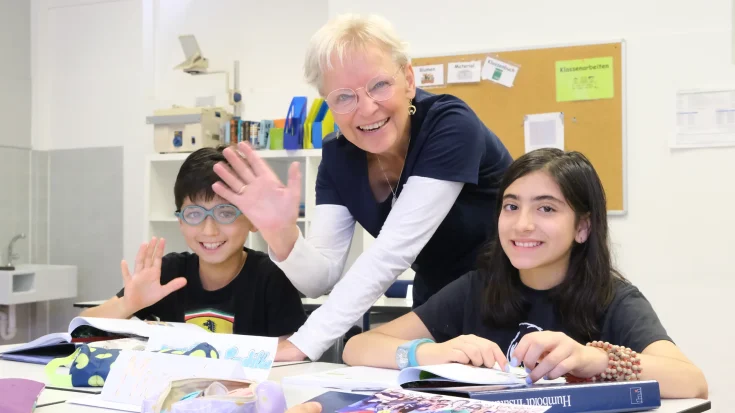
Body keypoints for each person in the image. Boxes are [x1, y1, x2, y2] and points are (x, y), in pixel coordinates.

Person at [211, 13, 513, 361]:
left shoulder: (450, 126)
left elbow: (393, 251)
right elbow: (319, 280)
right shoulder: (339, 159)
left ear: (409, 80)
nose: (367, 109)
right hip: (437, 305)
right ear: (329, 104)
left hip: (509, 295)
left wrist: (304, 342)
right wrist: (282, 234)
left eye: (379, 85)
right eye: (343, 97)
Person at [341, 148, 708, 399]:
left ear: (583, 227)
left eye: (546, 209)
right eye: (511, 206)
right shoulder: (477, 286)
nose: (522, 225)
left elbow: (693, 383)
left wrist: (594, 359)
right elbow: (358, 348)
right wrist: (430, 353)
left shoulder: (613, 298)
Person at [81, 147, 307, 342]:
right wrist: (127, 305)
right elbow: (81, 328)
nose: (209, 230)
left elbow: (291, 357)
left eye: (225, 212)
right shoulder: (168, 273)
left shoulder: (271, 277)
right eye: (194, 214)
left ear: (253, 220)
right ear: (180, 221)